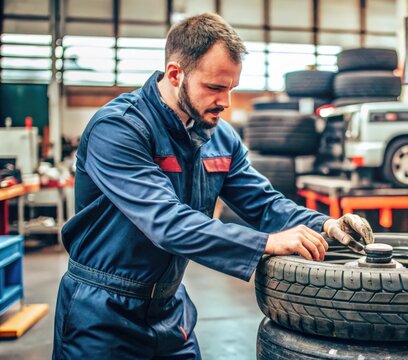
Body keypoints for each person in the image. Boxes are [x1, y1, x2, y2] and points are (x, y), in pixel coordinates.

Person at [53, 13, 373, 359]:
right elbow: (166, 222)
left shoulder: (219, 136)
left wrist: (324, 224)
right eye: (215, 87)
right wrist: (266, 242)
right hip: (102, 313)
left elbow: (263, 203)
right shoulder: (119, 129)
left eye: (231, 88)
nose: (227, 102)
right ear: (176, 74)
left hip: (168, 308)